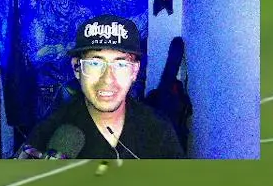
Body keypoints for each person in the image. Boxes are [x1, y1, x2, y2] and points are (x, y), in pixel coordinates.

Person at [21, 14, 185, 169]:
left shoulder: (157, 129)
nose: (107, 79)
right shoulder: (48, 134)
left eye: (121, 64)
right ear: (77, 68)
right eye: (95, 63)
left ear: (134, 71)